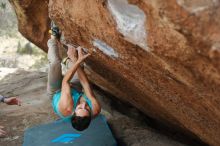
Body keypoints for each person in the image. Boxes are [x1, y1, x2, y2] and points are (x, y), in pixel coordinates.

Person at [47, 32, 101, 131]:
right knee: (79, 66)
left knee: (55, 63)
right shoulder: (96, 108)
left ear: (73, 112)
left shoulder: (66, 108)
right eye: (87, 109)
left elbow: (65, 82)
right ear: (91, 115)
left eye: (80, 108)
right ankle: (68, 60)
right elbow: (85, 84)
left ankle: (53, 38)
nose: (84, 105)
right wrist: (76, 60)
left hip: (57, 90)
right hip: (75, 89)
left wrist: (77, 60)